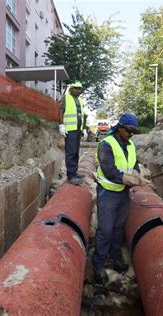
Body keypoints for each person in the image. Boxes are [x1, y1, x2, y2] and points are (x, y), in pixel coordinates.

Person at [92, 113, 151, 284]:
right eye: (129, 130)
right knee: (105, 229)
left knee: (118, 227)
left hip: (123, 193)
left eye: (134, 131)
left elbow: (133, 165)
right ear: (120, 128)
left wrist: (138, 176)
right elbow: (109, 171)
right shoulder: (106, 145)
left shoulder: (130, 145)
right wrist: (130, 179)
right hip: (108, 192)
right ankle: (98, 263)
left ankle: (116, 256)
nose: (132, 134)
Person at [58, 81, 89, 185]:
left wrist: (84, 128)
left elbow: (83, 116)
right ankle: (71, 176)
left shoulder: (79, 100)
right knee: (71, 153)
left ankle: (74, 173)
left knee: (76, 153)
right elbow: (61, 111)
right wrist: (61, 125)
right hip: (70, 130)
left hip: (77, 130)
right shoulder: (66, 97)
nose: (77, 90)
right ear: (71, 89)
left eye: (79, 89)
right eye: (75, 88)